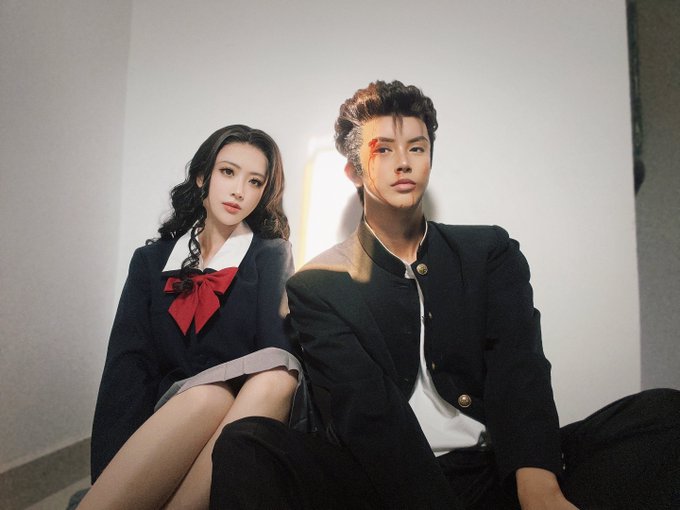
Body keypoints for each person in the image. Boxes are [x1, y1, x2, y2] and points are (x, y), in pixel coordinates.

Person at [210, 82, 680, 509]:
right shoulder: (318, 284)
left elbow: (519, 366)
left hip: (493, 470)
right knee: (246, 442)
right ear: (353, 170)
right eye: (383, 149)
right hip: (385, 485)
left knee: (662, 414)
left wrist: (539, 489)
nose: (404, 162)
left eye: (417, 147)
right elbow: (367, 415)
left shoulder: (488, 251)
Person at [79, 124, 301, 510]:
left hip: (234, 421)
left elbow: (275, 356)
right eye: (228, 172)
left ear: (263, 192)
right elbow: (127, 369)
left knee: (250, 382)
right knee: (202, 398)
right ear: (202, 177)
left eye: (254, 181)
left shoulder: (270, 255)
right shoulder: (150, 261)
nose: (239, 191)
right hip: (165, 419)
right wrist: (109, 468)